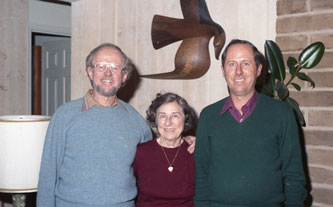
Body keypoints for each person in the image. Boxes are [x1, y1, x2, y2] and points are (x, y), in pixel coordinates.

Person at [36, 43, 195, 207]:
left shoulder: (135, 120)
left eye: (115, 68)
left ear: (124, 76)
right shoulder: (65, 116)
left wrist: (189, 141)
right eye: (101, 66)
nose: (107, 73)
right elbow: (48, 175)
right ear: (90, 72)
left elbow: (157, 154)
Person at [194, 39, 307, 207]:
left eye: (245, 63)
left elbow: (294, 175)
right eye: (232, 64)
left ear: (259, 69)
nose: (238, 71)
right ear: (223, 71)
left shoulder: (282, 113)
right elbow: (201, 176)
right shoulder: (208, 116)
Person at [133, 92, 196, 207]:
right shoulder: (141, 152)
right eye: (162, 116)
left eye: (175, 116)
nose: (168, 122)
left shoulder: (195, 152)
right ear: (155, 120)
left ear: (185, 119)